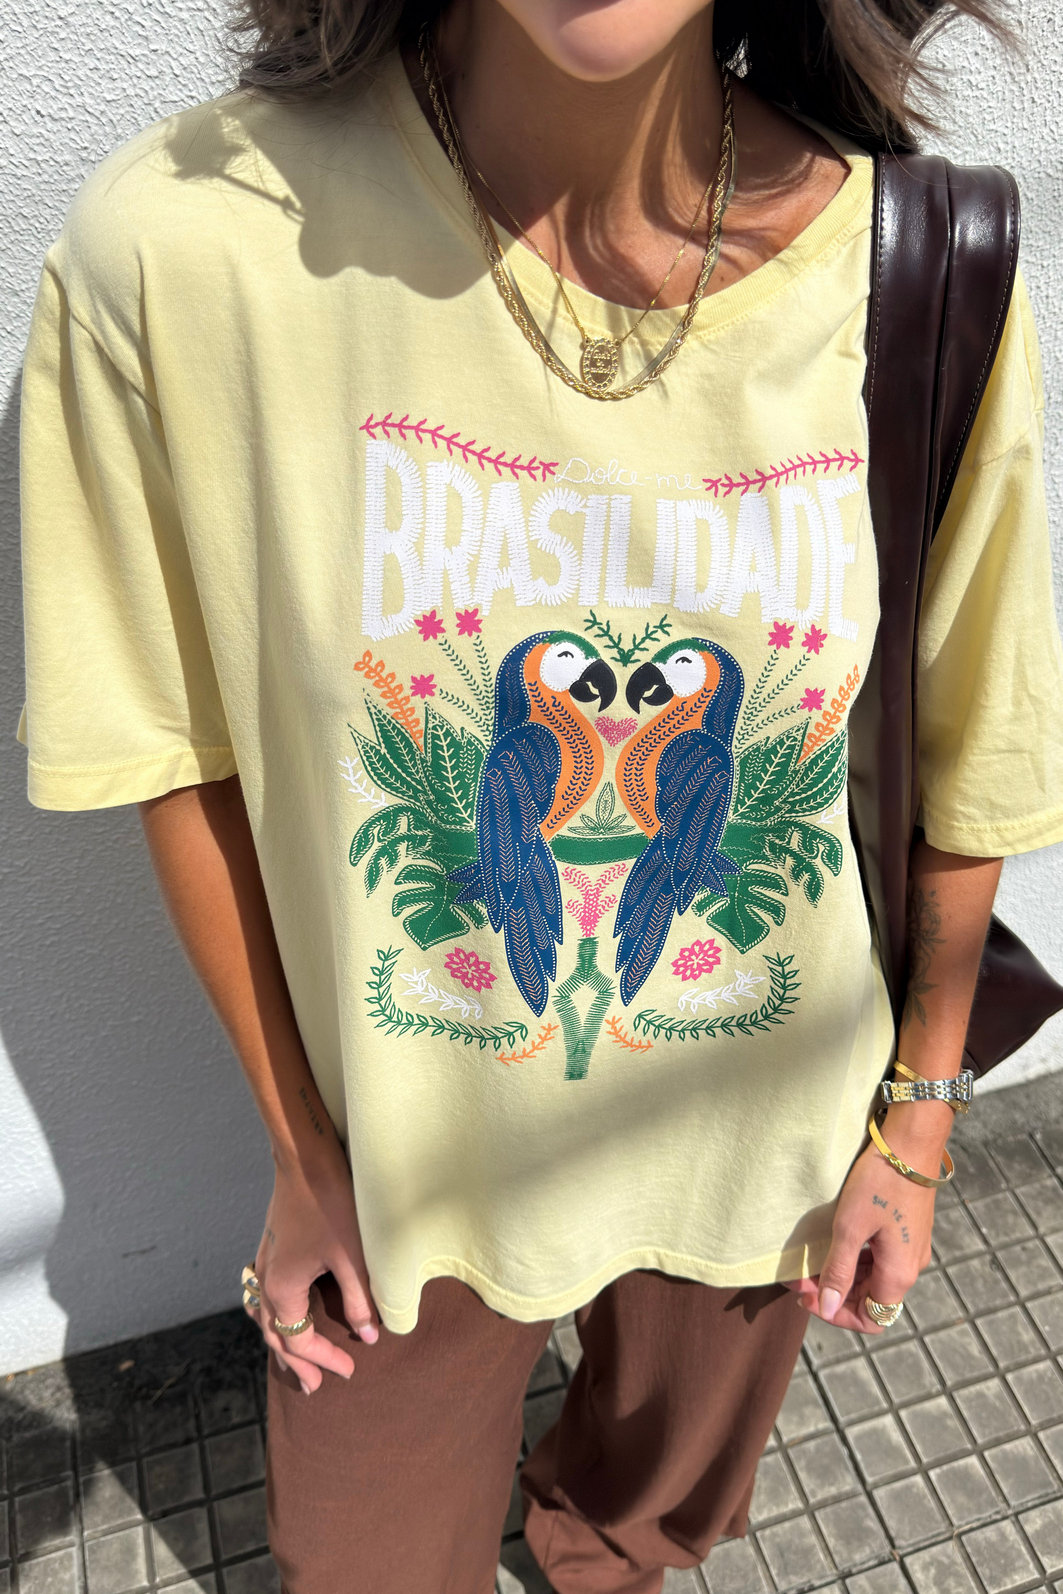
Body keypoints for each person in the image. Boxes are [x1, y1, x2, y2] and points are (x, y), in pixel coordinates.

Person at [14, 1, 1063, 1590]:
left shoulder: (917, 267)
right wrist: (302, 1158)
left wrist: (914, 1127)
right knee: (368, 1560)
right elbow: (172, 746)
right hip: (404, 1183)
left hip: (768, 1150)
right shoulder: (184, 251)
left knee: (647, 1525)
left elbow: (976, 751)